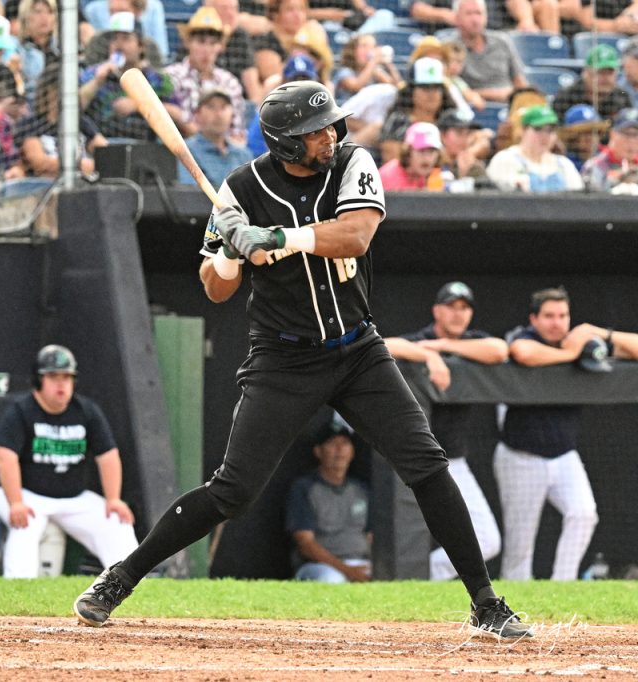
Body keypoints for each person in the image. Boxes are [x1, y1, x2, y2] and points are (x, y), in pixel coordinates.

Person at [73, 81, 532, 640]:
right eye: (314, 132)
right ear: (286, 143)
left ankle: (485, 601)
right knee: (232, 491)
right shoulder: (239, 189)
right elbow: (215, 289)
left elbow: (357, 235)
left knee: (427, 465)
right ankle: (121, 577)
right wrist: (229, 253)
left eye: (330, 126)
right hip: (283, 360)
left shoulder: (352, 163)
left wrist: (280, 237)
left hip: (357, 350)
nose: (329, 136)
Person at [497, 287, 638, 579]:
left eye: (563, 316)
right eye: (549, 316)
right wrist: (571, 353)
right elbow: (522, 353)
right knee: (519, 546)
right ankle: (512, 608)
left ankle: (564, 584)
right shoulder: (525, 337)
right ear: (534, 319)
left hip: (563, 454)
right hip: (521, 455)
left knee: (584, 513)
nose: (556, 322)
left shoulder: (579, 340)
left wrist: (599, 333)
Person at [383, 282, 506, 581]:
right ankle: (412, 581)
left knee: (488, 539)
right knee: (411, 533)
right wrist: (427, 355)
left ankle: (427, 579)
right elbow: (384, 344)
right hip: (412, 460)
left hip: (453, 460)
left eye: (464, 307)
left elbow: (500, 350)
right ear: (437, 310)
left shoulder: (468, 341)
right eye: (451, 306)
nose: (458, 314)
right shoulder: (421, 339)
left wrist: (441, 348)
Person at [0, 345, 139, 579]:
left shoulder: (86, 411)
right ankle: (17, 588)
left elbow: (107, 455)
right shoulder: (21, 411)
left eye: (67, 377)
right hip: (28, 495)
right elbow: (5, 457)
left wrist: (113, 499)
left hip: (74, 498)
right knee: (24, 525)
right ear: (38, 380)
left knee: (117, 521)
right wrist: (16, 501)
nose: (61, 384)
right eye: (53, 377)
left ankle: (130, 584)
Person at [285, 415, 372, 583]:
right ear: (318, 451)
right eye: (332, 443)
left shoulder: (361, 490)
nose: (339, 449)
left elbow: (371, 537)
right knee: (331, 580)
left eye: (345, 443)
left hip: (360, 562)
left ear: (352, 451)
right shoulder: (304, 488)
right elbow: (306, 545)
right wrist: (348, 571)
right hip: (322, 566)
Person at [78, 12, 184, 142]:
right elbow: (73, 109)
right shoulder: (94, 73)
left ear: (141, 46)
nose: (118, 45)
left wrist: (138, 105)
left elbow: (179, 115)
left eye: (126, 38)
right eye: (114, 39)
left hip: (147, 149)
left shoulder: (157, 79)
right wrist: (96, 82)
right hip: (102, 146)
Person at [164, 7, 246, 143]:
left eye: (213, 43)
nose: (207, 50)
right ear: (187, 42)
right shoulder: (171, 76)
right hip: (181, 152)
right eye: (201, 41)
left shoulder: (229, 82)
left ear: (221, 46)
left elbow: (238, 135)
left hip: (225, 155)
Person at [14, 63, 108, 177]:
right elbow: (39, 162)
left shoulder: (81, 122)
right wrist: (79, 165)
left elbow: (106, 153)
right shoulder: (31, 123)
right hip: (45, 186)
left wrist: (94, 165)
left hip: (82, 182)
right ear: (48, 91)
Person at [486, 104, 583, 193]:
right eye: (538, 129)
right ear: (523, 131)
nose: (545, 136)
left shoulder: (564, 165)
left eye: (550, 130)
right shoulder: (505, 160)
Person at [378, 57, 458, 164]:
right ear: (411, 91)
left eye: (436, 87)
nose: (431, 93)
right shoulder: (398, 122)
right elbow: (392, 161)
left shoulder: (451, 120)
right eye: (425, 87)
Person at [449, 0, 527, 103]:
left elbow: (520, 82)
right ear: (456, 18)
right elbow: (448, 87)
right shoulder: (450, 47)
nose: (475, 19)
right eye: (469, 14)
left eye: (479, 13)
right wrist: (492, 94)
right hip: (472, 107)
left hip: (508, 106)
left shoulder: (502, 42)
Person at [179, 87, 254, 188]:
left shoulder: (244, 154)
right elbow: (188, 193)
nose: (219, 114)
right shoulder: (185, 150)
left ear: (232, 115)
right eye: (211, 107)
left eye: (223, 107)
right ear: (198, 114)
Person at [253, 0, 332, 92]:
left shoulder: (310, 40)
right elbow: (278, 80)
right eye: (290, 10)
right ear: (275, 14)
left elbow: (324, 72)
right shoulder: (266, 43)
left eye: (301, 9)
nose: (297, 15)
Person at [551, 45, 633, 123]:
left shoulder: (622, 97)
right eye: (600, 72)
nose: (605, 78)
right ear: (585, 73)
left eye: (610, 73)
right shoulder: (566, 97)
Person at [83, 0, 168, 63]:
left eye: (122, 11)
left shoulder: (154, 8)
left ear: (138, 12)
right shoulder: (92, 10)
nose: (116, 16)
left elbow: (161, 56)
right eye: (112, 11)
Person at [332, 32, 401, 106]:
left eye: (372, 47)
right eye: (364, 46)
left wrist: (388, 63)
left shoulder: (374, 71)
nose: (368, 51)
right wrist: (373, 61)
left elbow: (394, 87)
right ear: (353, 50)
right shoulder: (345, 72)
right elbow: (356, 86)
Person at [582, 107, 638, 191]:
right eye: (627, 134)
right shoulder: (595, 165)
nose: (632, 141)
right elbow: (591, 200)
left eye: (636, 135)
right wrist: (616, 179)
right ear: (613, 134)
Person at [379, 121, 445, 191]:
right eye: (421, 151)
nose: (427, 158)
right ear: (408, 152)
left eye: (431, 151)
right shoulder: (390, 176)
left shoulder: (431, 177)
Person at [15, 0, 58, 106]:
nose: (45, 17)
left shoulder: (62, 49)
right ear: (25, 17)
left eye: (50, 12)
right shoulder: (17, 50)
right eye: (38, 12)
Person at [437, 108, 490, 182]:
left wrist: (466, 174)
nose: (464, 139)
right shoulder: (431, 163)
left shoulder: (474, 166)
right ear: (443, 136)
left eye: (468, 133)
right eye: (459, 133)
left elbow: (489, 191)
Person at [558, 103, 608, 171]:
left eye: (595, 132)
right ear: (571, 138)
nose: (590, 137)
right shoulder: (562, 164)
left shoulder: (607, 157)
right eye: (583, 133)